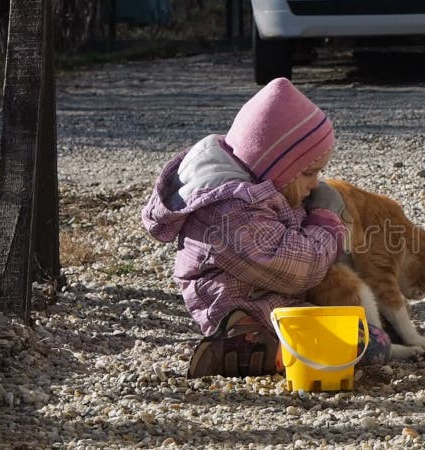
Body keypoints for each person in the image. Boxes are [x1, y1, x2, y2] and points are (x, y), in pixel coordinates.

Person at [141, 77, 392, 378]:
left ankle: (262, 347)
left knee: (367, 334)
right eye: (309, 173)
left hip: (269, 299)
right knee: (368, 345)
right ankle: (245, 349)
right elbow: (300, 269)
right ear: (275, 166)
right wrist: (325, 222)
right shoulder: (232, 212)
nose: (315, 183)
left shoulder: (260, 188)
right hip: (244, 309)